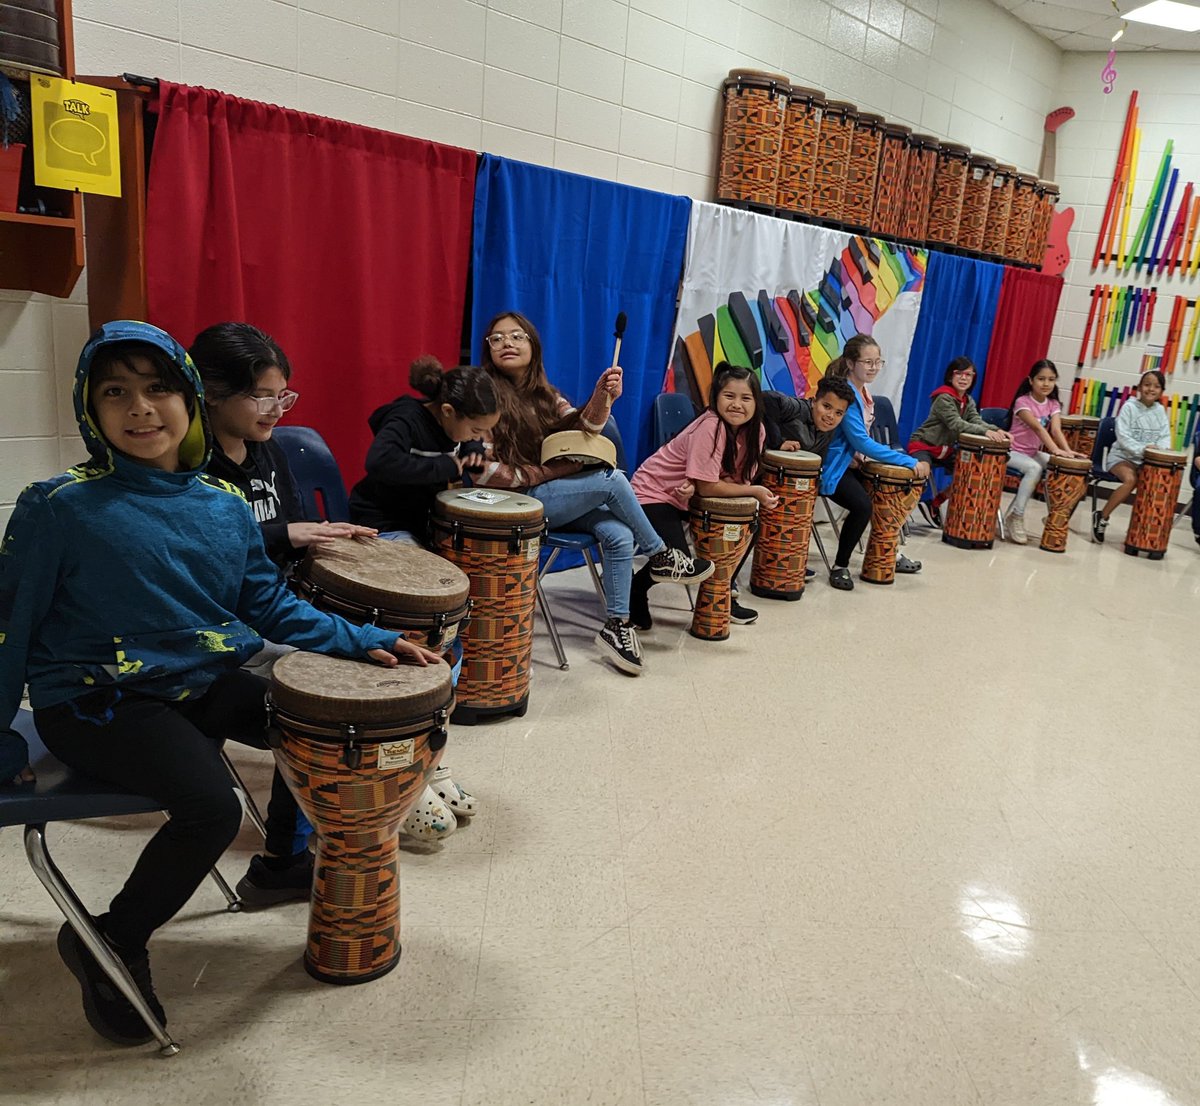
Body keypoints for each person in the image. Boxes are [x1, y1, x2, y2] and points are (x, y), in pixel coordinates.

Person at [0, 321, 443, 1046]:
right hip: (94, 699)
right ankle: (111, 937)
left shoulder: (221, 505)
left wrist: (367, 641)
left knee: (319, 722)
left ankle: (289, 866)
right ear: (90, 407)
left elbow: (267, 606)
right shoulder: (58, 506)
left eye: (158, 388)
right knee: (209, 807)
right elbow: (8, 628)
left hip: (195, 677)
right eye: (116, 392)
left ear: (187, 400)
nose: (140, 408)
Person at [474, 311, 713, 676]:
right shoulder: (483, 394)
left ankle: (617, 625)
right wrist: (547, 472)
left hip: (549, 494)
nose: (507, 342)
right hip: (515, 503)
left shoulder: (546, 395)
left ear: (532, 346)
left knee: (617, 534)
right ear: (488, 349)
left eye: (517, 336)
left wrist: (603, 396)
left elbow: (586, 428)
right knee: (611, 480)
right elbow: (484, 472)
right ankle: (661, 554)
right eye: (497, 338)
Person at [191, 322, 375, 569]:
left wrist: (324, 532)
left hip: (280, 585)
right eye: (262, 397)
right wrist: (286, 535)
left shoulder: (270, 449)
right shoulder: (189, 468)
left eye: (281, 396)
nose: (277, 411)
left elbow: (293, 522)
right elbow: (208, 547)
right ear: (211, 393)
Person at [628, 363, 776, 630]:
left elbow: (731, 482)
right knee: (679, 562)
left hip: (688, 497)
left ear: (757, 402)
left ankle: (723, 594)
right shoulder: (711, 426)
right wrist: (753, 491)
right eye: (729, 396)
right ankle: (635, 591)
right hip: (652, 492)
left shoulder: (757, 432)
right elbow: (712, 488)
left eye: (746, 398)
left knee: (747, 525)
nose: (737, 405)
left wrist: (706, 486)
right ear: (715, 397)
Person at [821, 336, 931, 590]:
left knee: (890, 494)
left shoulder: (863, 392)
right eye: (867, 362)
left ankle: (887, 553)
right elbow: (861, 442)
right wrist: (907, 460)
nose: (873, 367)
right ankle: (841, 566)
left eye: (877, 362)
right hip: (834, 468)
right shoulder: (845, 395)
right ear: (850, 362)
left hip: (853, 464)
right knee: (862, 507)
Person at [349, 356, 499, 542]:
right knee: (418, 568)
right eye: (476, 430)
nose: (479, 436)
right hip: (382, 522)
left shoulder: (454, 426)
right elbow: (379, 462)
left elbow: (466, 440)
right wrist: (442, 467)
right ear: (448, 411)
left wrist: (473, 448)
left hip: (423, 522)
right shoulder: (406, 419)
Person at [906, 356, 1010, 524]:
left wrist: (997, 430)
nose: (963, 378)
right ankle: (900, 512)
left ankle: (935, 503)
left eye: (968, 375)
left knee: (971, 473)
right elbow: (956, 424)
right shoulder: (943, 397)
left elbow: (975, 420)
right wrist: (985, 431)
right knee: (922, 471)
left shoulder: (967, 400)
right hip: (924, 445)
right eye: (959, 373)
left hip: (944, 449)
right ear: (949, 377)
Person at [1003, 359, 1085, 544]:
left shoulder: (1053, 403)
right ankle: (1017, 516)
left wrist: (1068, 453)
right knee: (1034, 469)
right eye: (1041, 379)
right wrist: (1055, 450)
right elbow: (1038, 429)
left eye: (1051, 379)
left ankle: (1055, 517)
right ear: (1031, 380)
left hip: (1031, 453)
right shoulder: (1022, 402)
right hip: (1012, 451)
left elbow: (1056, 430)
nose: (1046, 384)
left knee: (1068, 467)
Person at [1093, 369, 1171, 543]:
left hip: (1145, 460)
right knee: (1131, 480)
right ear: (1140, 387)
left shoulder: (1160, 410)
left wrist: (1158, 451)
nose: (1151, 389)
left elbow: (1165, 438)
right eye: (1147, 384)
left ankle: (1139, 530)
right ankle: (1102, 517)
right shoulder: (1129, 407)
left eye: (1156, 386)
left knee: (1155, 484)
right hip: (1121, 457)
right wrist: (1144, 450)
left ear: (1161, 391)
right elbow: (1123, 437)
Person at [761, 376, 854, 455]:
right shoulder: (799, 408)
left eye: (838, 413)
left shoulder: (828, 428)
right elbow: (769, 398)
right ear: (814, 402)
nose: (831, 416)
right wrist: (777, 443)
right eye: (826, 406)